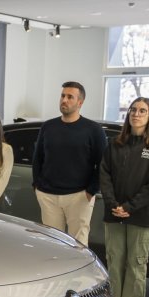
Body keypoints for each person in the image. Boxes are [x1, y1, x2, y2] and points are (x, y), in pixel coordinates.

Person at [99, 97, 149, 297]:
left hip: (140, 214)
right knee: (115, 258)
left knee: (136, 262)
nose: (136, 114)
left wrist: (129, 206)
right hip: (114, 212)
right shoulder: (115, 144)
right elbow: (105, 175)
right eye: (133, 110)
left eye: (142, 111)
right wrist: (113, 203)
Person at [32, 81, 107, 245]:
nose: (64, 100)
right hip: (48, 195)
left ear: (80, 102)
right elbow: (38, 158)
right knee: (51, 243)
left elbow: (103, 164)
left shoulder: (93, 130)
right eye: (62, 96)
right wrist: (37, 185)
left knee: (78, 245)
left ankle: (79, 272)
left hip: (78, 196)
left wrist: (91, 190)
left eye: (70, 97)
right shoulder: (48, 127)